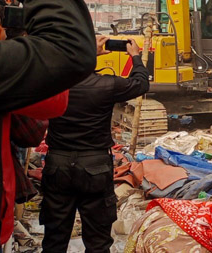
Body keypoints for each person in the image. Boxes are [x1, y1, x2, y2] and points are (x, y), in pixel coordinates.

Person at [0, 0, 96, 248]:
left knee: (56, 225)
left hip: (58, 165)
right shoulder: (111, 87)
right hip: (93, 167)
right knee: (98, 229)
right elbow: (66, 55)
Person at [41, 36, 149, 252]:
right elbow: (141, 83)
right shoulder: (107, 84)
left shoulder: (52, 83)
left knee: (54, 240)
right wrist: (135, 56)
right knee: (98, 242)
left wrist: (87, 51)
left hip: (57, 165)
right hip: (95, 166)